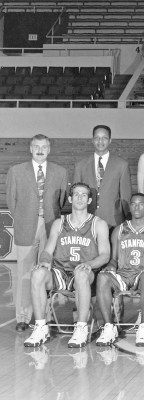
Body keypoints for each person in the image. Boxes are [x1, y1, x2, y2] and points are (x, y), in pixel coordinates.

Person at [24, 183, 110, 348]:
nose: (79, 197)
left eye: (83, 195)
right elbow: (48, 250)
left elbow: (105, 255)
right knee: (37, 274)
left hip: (86, 274)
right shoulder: (59, 223)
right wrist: (44, 261)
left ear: (89, 199)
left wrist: (89, 264)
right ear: (70, 199)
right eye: (76, 194)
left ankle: (81, 327)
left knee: (81, 274)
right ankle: (41, 327)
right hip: (61, 272)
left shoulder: (98, 224)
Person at [7, 134, 68, 332]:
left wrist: (47, 218)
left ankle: (46, 316)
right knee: (25, 273)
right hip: (26, 226)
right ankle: (23, 317)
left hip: (50, 226)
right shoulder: (16, 171)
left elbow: (62, 200)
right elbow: (11, 201)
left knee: (46, 271)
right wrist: (26, 218)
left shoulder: (60, 171)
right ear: (30, 148)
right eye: (36, 146)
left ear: (49, 149)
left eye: (44, 147)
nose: (40, 150)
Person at [95, 193, 144, 347]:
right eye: (133, 204)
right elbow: (113, 258)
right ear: (129, 207)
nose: (136, 207)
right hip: (123, 274)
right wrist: (110, 266)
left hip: (143, 274)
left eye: (141, 204)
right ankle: (109, 327)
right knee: (102, 277)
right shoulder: (119, 230)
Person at [73, 125, 132, 230]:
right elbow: (75, 196)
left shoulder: (122, 165)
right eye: (97, 138)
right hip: (85, 221)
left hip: (113, 222)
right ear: (92, 140)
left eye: (104, 138)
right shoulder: (80, 165)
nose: (100, 141)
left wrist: (126, 222)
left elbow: (125, 197)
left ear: (110, 140)